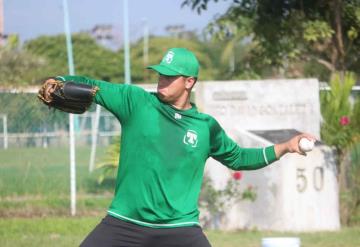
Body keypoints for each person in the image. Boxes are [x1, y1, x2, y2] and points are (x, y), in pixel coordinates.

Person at [44, 47, 315, 247]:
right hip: (125, 223)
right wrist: (58, 79)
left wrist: (286, 146)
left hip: (179, 229)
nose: (161, 80)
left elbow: (239, 158)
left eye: (169, 77)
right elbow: (94, 86)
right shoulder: (136, 102)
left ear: (189, 82)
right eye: (160, 74)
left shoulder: (205, 126)